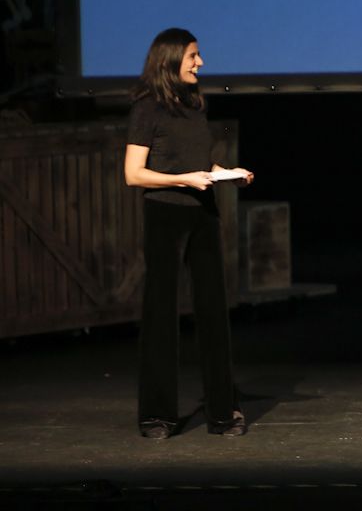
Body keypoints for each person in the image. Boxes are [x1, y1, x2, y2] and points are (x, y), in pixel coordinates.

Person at [123, 28, 254, 439]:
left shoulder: (194, 105)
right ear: (170, 59)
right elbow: (133, 174)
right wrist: (183, 180)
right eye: (193, 56)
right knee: (161, 313)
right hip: (165, 214)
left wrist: (227, 174)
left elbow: (201, 164)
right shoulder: (147, 109)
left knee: (214, 312)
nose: (200, 63)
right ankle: (157, 416)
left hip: (202, 213)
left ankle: (221, 412)